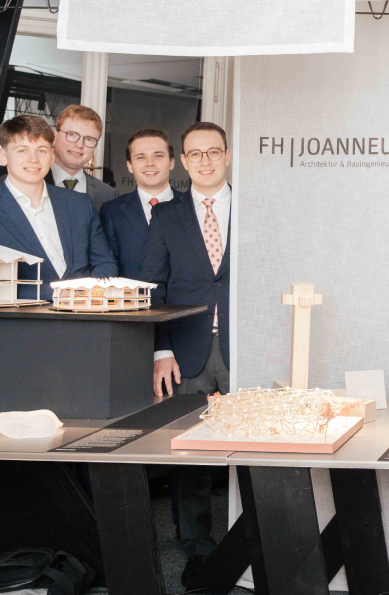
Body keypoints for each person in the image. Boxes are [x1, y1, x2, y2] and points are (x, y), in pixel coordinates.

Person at [139, 122, 233, 578]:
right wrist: (161, 350)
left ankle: (255, 533)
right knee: (191, 451)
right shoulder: (166, 215)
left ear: (227, 155)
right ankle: (196, 543)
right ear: (184, 161)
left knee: (256, 443)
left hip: (242, 345)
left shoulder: (255, 208)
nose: (205, 161)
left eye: (213, 152)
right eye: (195, 154)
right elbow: (154, 288)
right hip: (186, 349)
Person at [0, 115, 116, 301]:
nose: (33, 159)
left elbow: (104, 262)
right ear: (3, 157)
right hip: (27, 317)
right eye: (22, 150)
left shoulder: (80, 204)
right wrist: (61, 293)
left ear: (51, 157)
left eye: (41, 150)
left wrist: (93, 294)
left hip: (88, 311)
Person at [100, 129, 186, 279]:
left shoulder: (191, 206)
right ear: (130, 166)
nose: (150, 163)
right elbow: (108, 266)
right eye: (141, 157)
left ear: (171, 162)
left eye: (158, 156)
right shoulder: (112, 211)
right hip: (132, 294)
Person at [45, 105, 119, 211]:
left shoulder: (108, 195)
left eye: (89, 139)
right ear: (55, 137)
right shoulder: (31, 182)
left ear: (95, 147)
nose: (79, 145)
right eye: (72, 134)